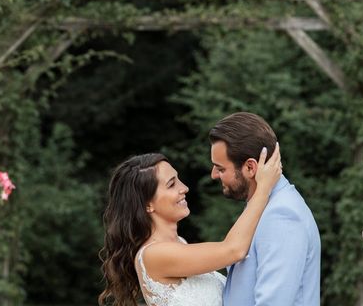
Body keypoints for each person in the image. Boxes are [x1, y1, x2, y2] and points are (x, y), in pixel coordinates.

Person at [98, 145, 281, 306]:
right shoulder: (153, 255)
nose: (184, 187)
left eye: (178, 179)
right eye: (171, 185)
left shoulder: (180, 243)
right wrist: (263, 188)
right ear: (147, 204)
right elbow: (234, 250)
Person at [209, 112, 321, 305]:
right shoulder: (264, 205)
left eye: (221, 169)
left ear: (250, 168)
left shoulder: (282, 215)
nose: (213, 175)